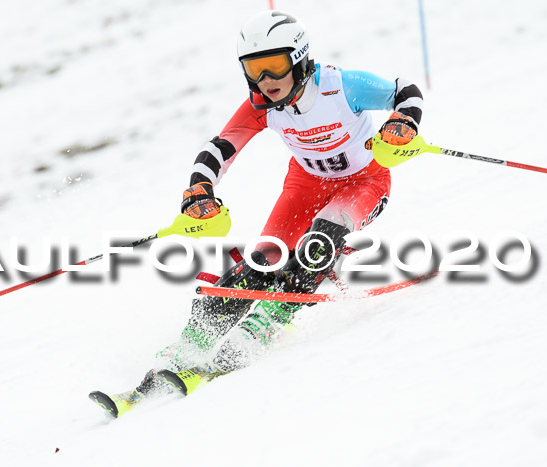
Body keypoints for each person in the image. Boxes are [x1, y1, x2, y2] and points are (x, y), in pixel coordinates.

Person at [140, 9, 423, 392]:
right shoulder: (262, 104)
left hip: (365, 181)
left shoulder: (339, 87)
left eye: (274, 66)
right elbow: (222, 147)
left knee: (320, 240)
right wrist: (199, 190)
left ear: (300, 58)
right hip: (304, 185)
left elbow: (404, 91)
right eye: (253, 69)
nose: (265, 80)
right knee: (262, 261)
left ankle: (265, 324)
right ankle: (195, 340)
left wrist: (403, 122)